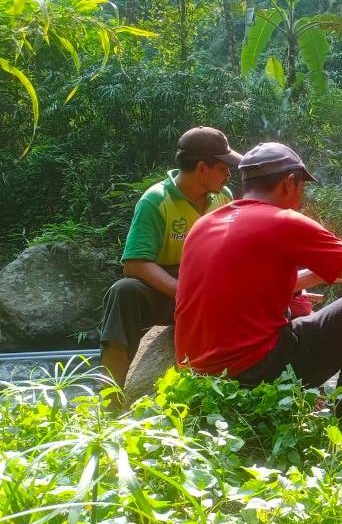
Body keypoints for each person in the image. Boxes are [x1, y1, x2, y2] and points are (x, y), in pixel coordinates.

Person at [173, 142, 342, 415]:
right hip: (254, 374)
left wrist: (326, 273)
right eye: (301, 188)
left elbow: (250, 285)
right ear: (289, 182)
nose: (301, 198)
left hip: (198, 376)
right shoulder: (285, 221)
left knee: (293, 312)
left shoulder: (204, 224)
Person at [99, 126, 242, 386]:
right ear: (201, 168)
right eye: (223, 168)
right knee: (123, 292)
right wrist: (184, 293)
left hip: (213, 289)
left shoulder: (224, 197)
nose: (229, 175)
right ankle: (110, 399)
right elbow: (135, 264)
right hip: (169, 289)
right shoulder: (155, 200)